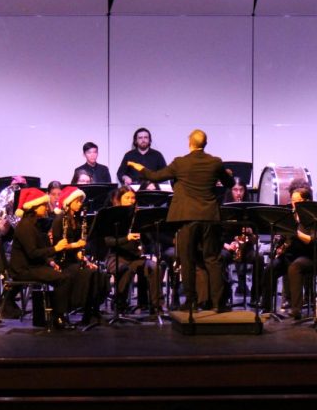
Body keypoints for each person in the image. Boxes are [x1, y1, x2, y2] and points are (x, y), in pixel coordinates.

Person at [127, 129, 235, 311]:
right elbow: (229, 184)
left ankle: (191, 302)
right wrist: (227, 174)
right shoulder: (215, 162)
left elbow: (155, 176)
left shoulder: (180, 162)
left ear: (190, 143)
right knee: (212, 259)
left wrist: (139, 168)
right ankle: (218, 304)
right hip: (209, 217)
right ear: (205, 144)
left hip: (186, 218)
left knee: (188, 259)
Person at [9, 187, 77, 329]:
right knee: (63, 279)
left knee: (64, 275)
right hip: (23, 269)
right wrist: (55, 249)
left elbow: (37, 251)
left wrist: (50, 262)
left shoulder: (33, 224)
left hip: (32, 265)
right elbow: (33, 253)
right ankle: (58, 317)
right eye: (44, 205)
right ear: (34, 207)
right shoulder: (26, 226)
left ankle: (58, 314)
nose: (47, 208)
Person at [103, 186, 162, 314]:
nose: (131, 201)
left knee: (155, 267)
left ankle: (156, 307)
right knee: (126, 269)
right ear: (119, 199)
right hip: (116, 256)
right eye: (127, 198)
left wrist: (146, 230)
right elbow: (108, 241)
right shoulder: (111, 216)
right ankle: (120, 304)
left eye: (133, 198)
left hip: (135, 257)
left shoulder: (138, 216)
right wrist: (126, 238)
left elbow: (148, 241)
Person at [50, 186, 104, 326]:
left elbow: (78, 251)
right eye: (77, 201)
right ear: (69, 202)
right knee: (86, 274)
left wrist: (85, 260)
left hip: (73, 260)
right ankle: (75, 306)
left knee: (96, 272)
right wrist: (76, 245)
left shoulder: (76, 220)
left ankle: (90, 313)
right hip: (62, 262)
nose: (80, 204)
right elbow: (58, 247)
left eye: (81, 201)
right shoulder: (59, 220)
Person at [268, 184, 317, 318]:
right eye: (292, 200)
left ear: (306, 202)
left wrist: (294, 232)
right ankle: (266, 307)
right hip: (292, 254)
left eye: (297, 201)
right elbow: (284, 236)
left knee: (295, 267)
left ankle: (296, 309)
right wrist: (279, 244)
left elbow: (312, 240)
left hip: (310, 255)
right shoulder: (289, 216)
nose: (294, 204)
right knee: (271, 267)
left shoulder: (314, 217)